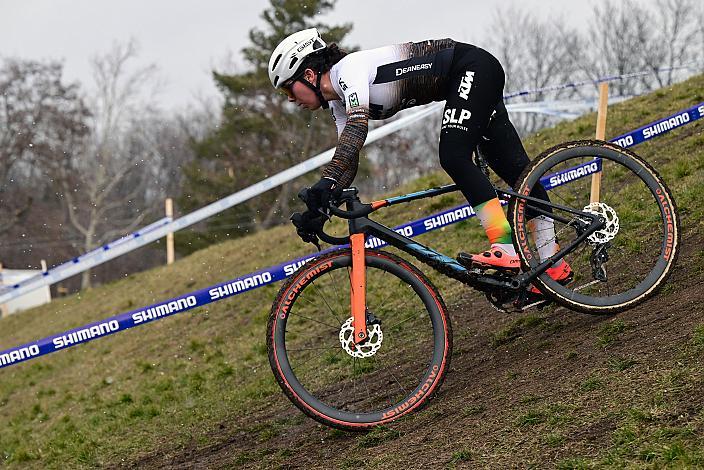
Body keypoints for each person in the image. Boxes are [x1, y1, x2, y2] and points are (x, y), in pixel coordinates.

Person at [268, 28, 571, 285]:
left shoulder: (348, 71)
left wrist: (327, 181)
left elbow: (358, 129)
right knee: (519, 174)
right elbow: (350, 155)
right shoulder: (339, 103)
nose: (291, 100)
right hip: (469, 77)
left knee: (453, 156)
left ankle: (504, 247)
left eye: (288, 90)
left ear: (308, 75)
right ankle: (553, 265)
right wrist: (322, 204)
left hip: (472, 68)